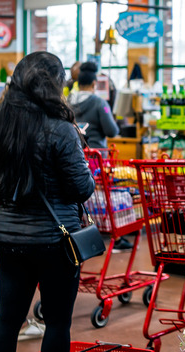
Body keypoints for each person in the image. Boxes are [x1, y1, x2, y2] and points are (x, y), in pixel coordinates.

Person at [0, 52, 95, 352]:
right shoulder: (61, 131)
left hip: (8, 238)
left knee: (7, 319)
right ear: (55, 85)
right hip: (54, 241)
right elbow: (82, 188)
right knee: (57, 323)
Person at [68, 63, 132, 250]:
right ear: (94, 83)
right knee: (101, 194)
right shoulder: (98, 103)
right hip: (96, 157)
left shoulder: (67, 101)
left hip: (74, 155)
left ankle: (83, 226)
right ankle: (114, 235)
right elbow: (112, 130)